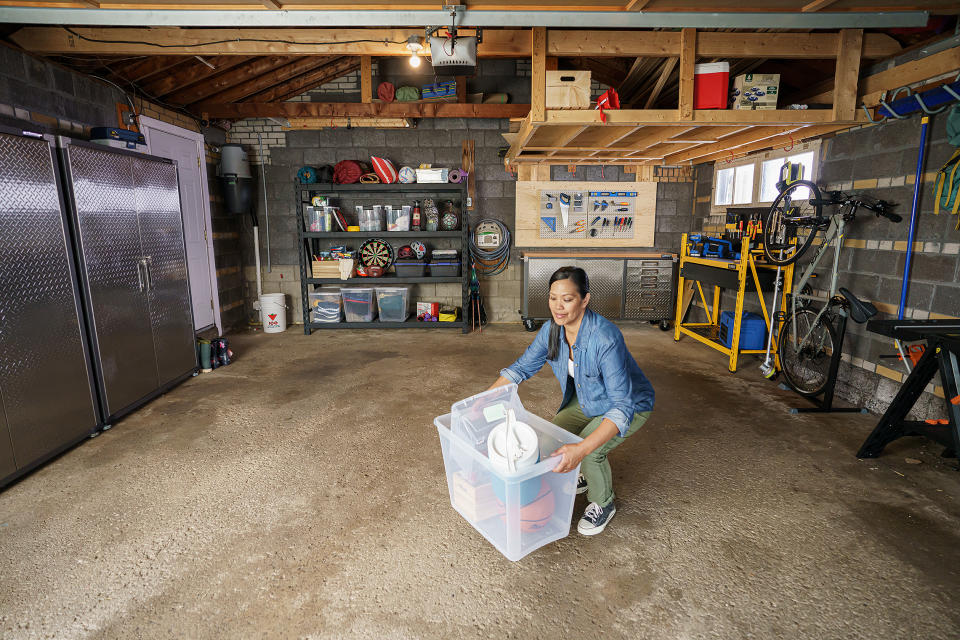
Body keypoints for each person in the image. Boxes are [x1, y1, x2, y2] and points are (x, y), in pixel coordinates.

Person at [489, 266, 654, 535]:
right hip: (588, 398)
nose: (558, 306)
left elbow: (622, 407)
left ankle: (603, 502)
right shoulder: (552, 330)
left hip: (629, 405)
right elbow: (520, 369)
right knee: (549, 438)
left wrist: (581, 450)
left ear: (585, 299)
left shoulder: (605, 338)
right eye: (553, 298)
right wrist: (481, 403)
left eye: (567, 299)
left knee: (589, 453)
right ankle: (583, 474)